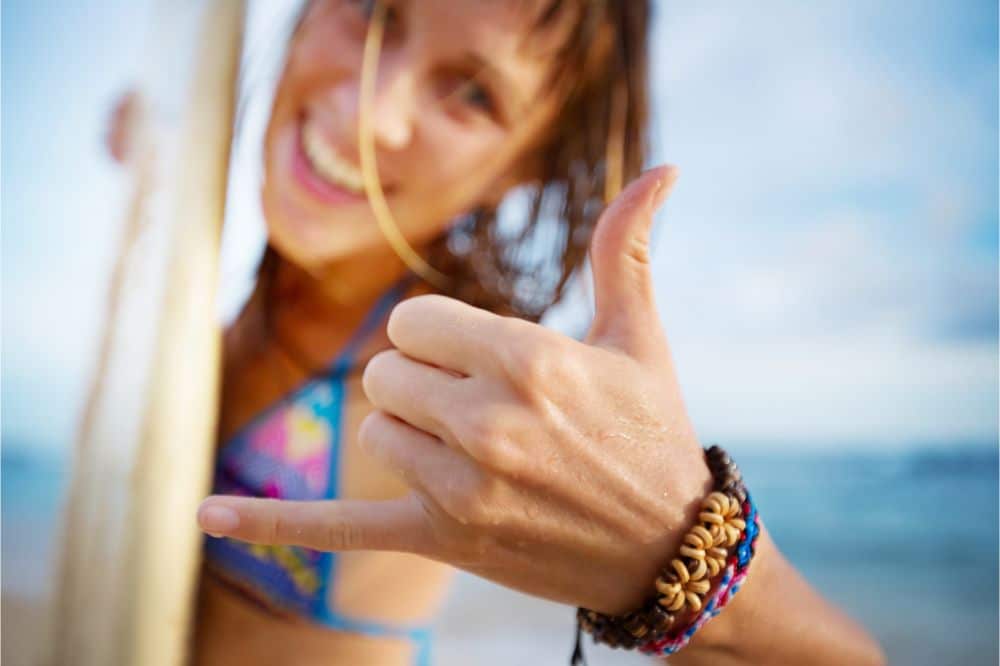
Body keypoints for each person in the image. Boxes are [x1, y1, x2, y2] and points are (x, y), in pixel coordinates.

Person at [111, 2, 887, 665]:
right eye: (373, 10)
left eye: (474, 94)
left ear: (529, 165)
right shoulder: (262, 265)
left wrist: (685, 553)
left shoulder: (440, 372)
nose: (370, 114)